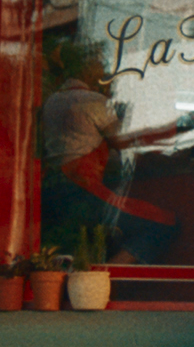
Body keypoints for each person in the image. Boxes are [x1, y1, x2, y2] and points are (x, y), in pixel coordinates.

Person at [35, 42, 180, 265]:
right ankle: (105, 277)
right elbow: (124, 144)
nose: (103, 70)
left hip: (53, 190)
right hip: (81, 191)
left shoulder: (52, 101)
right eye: (98, 64)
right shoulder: (93, 101)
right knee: (162, 224)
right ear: (87, 68)